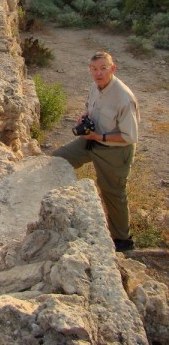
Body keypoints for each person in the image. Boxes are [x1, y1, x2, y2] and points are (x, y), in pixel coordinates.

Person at [52, 51, 140, 252]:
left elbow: (129, 136)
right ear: (90, 70)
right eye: (94, 69)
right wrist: (84, 118)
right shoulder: (95, 86)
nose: (98, 73)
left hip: (114, 150)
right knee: (57, 160)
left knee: (113, 193)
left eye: (103, 68)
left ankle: (123, 241)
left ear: (113, 68)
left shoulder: (124, 98)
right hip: (90, 140)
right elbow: (89, 107)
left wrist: (98, 137)